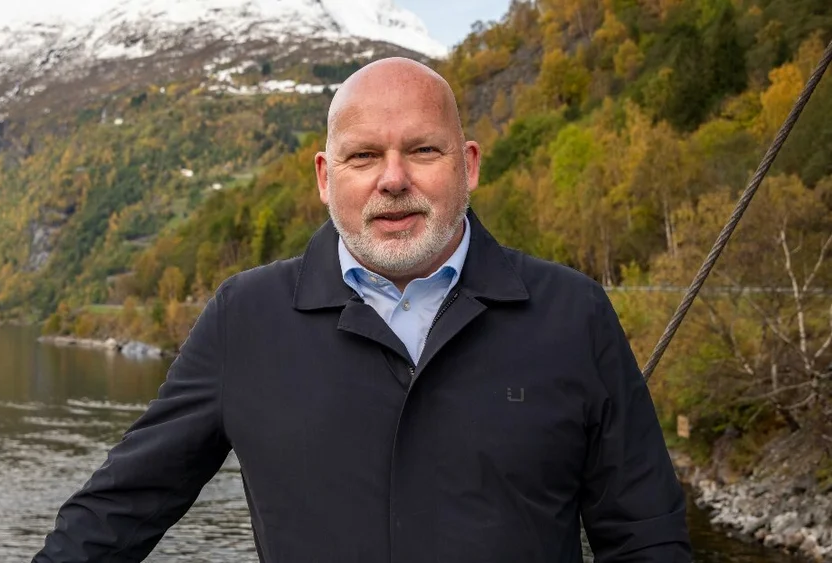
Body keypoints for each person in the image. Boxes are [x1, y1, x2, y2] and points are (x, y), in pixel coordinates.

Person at [34, 57, 691, 562]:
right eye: (364, 156)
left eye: (423, 150)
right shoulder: (247, 318)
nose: (394, 178)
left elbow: (645, 536)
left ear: (468, 166)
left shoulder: (571, 314)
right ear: (326, 178)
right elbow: (116, 514)